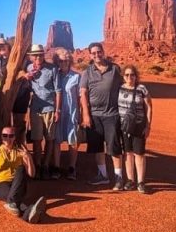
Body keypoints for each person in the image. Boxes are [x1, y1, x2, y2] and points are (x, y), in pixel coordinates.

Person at [79, 41, 123, 189]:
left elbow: (124, 87)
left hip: (112, 114)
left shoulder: (114, 69)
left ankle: (119, 178)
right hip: (94, 115)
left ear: (103, 52)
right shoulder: (87, 72)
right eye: (93, 53)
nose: (97, 55)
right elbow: (83, 94)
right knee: (97, 147)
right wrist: (86, 115)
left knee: (114, 147)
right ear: (90, 55)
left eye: (99, 52)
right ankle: (103, 176)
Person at [0, 125, 47, 223]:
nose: (7, 138)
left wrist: (29, 158)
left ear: (14, 137)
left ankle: (14, 204)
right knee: (14, 197)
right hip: (0, 184)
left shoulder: (20, 152)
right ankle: (27, 212)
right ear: (1, 137)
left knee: (21, 169)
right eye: (5, 135)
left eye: (11, 136)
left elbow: (32, 174)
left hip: (18, 184)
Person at [25, 44, 62, 179]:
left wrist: (58, 110)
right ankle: (38, 165)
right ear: (31, 57)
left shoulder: (52, 69)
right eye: (35, 55)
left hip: (50, 108)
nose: (38, 57)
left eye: (40, 55)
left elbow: (58, 91)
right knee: (37, 139)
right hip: (35, 108)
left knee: (50, 138)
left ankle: (46, 165)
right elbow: (26, 84)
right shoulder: (29, 68)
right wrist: (27, 76)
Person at [119, 65, 153, 194]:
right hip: (124, 126)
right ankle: (130, 180)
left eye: (132, 75)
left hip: (139, 126)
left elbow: (149, 107)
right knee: (127, 153)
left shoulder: (141, 89)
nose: (129, 77)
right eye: (127, 75)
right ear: (123, 76)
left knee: (139, 153)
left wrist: (148, 126)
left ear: (136, 76)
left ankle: (141, 182)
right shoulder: (120, 88)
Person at [54, 49, 80, 180]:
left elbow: (80, 97)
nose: (63, 63)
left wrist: (81, 114)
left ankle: (72, 168)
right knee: (56, 139)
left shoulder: (76, 77)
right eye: (60, 61)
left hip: (72, 112)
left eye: (65, 60)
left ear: (69, 61)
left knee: (73, 140)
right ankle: (56, 167)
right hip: (57, 112)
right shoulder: (55, 76)